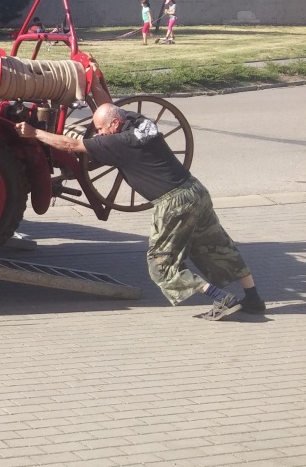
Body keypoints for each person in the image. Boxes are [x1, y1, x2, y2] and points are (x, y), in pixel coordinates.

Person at [16, 103, 264, 320]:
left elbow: (70, 144)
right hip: (195, 190)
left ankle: (221, 298)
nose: (98, 134)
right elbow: (109, 107)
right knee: (219, 246)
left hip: (174, 203)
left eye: (101, 129)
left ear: (115, 123)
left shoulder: (119, 142)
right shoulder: (141, 121)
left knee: (160, 264)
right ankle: (253, 298)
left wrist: (35, 132)